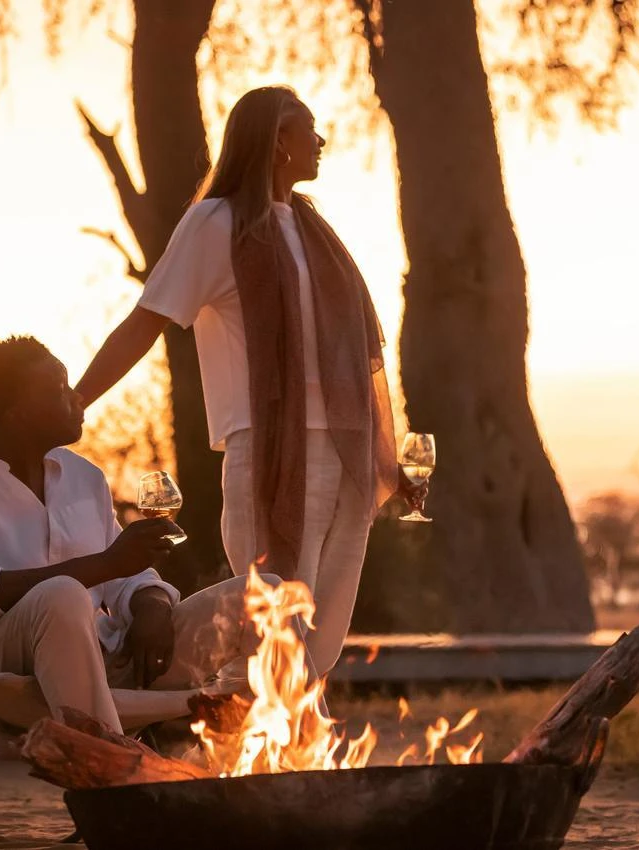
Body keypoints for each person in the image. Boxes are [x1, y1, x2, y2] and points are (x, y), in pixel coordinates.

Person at [76, 86, 417, 673]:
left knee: (323, 634)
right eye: (309, 129)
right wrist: (76, 400)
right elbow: (147, 320)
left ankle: (293, 750)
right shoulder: (217, 222)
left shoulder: (313, 230)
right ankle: (249, 748)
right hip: (270, 447)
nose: (321, 141)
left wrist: (389, 461)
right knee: (272, 625)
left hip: (345, 446)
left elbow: (351, 356)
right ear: (277, 140)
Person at [0, 336, 272, 735]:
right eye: (58, 390)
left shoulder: (84, 478)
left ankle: (275, 760)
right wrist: (102, 565)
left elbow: (125, 575)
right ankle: (114, 756)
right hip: (1, 666)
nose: (77, 398)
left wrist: (151, 604)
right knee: (61, 594)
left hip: (107, 657)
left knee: (265, 594)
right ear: (16, 413)